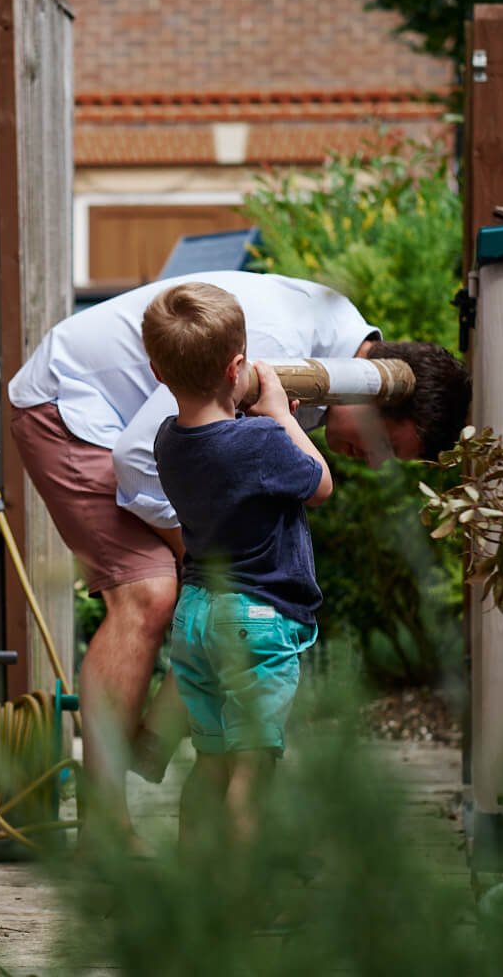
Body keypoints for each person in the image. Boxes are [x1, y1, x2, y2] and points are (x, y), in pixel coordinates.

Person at [6, 270, 470, 840]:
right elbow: (136, 458)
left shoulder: (334, 348)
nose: (372, 463)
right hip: (70, 403)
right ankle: (107, 832)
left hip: (140, 433)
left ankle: (173, 780)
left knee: (212, 600)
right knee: (150, 596)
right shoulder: (272, 356)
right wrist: (199, 553)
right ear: (379, 397)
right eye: (387, 448)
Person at [142, 281, 331, 844]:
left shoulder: (166, 441)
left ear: (157, 371)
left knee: (212, 760)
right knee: (253, 773)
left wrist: (267, 423)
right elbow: (320, 483)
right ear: (237, 366)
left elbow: (228, 442)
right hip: (257, 620)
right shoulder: (262, 442)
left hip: (196, 617)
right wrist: (280, 416)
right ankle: (243, 902)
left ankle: (197, 889)